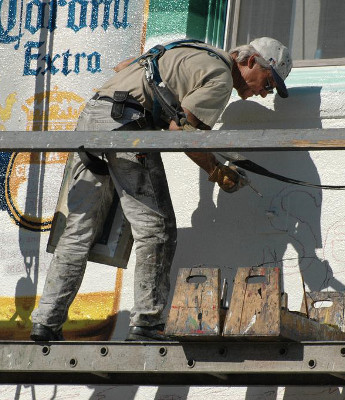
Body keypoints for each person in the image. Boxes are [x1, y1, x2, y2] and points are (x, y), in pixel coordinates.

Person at [30, 37, 293, 341]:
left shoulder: (192, 49)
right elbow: (183, 134)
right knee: (156, 229)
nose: (264, 92)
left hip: (92, 120)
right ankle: (147, 322)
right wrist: (216, 171)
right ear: (250, 62)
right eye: (268, 83)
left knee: (78, 230)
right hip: (126, 125)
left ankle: (46, 323)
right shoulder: (221, 77)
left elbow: (123, 67)